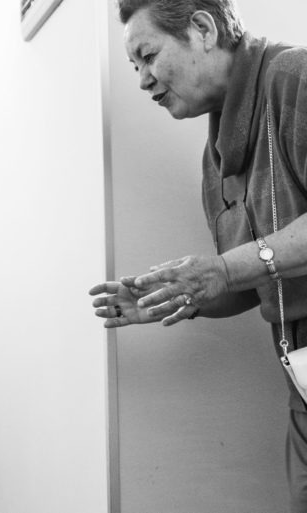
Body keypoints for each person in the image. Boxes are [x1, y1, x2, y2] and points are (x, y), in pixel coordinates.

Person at [88, 1, 307, 510]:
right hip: (300, 384)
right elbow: (258, 279)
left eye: (147, 55)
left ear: (203, 29)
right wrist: (180, 295)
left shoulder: (296, 77)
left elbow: (243, 264)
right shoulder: (214, 159)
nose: (143, 80)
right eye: (134, 66)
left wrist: (227, 267)